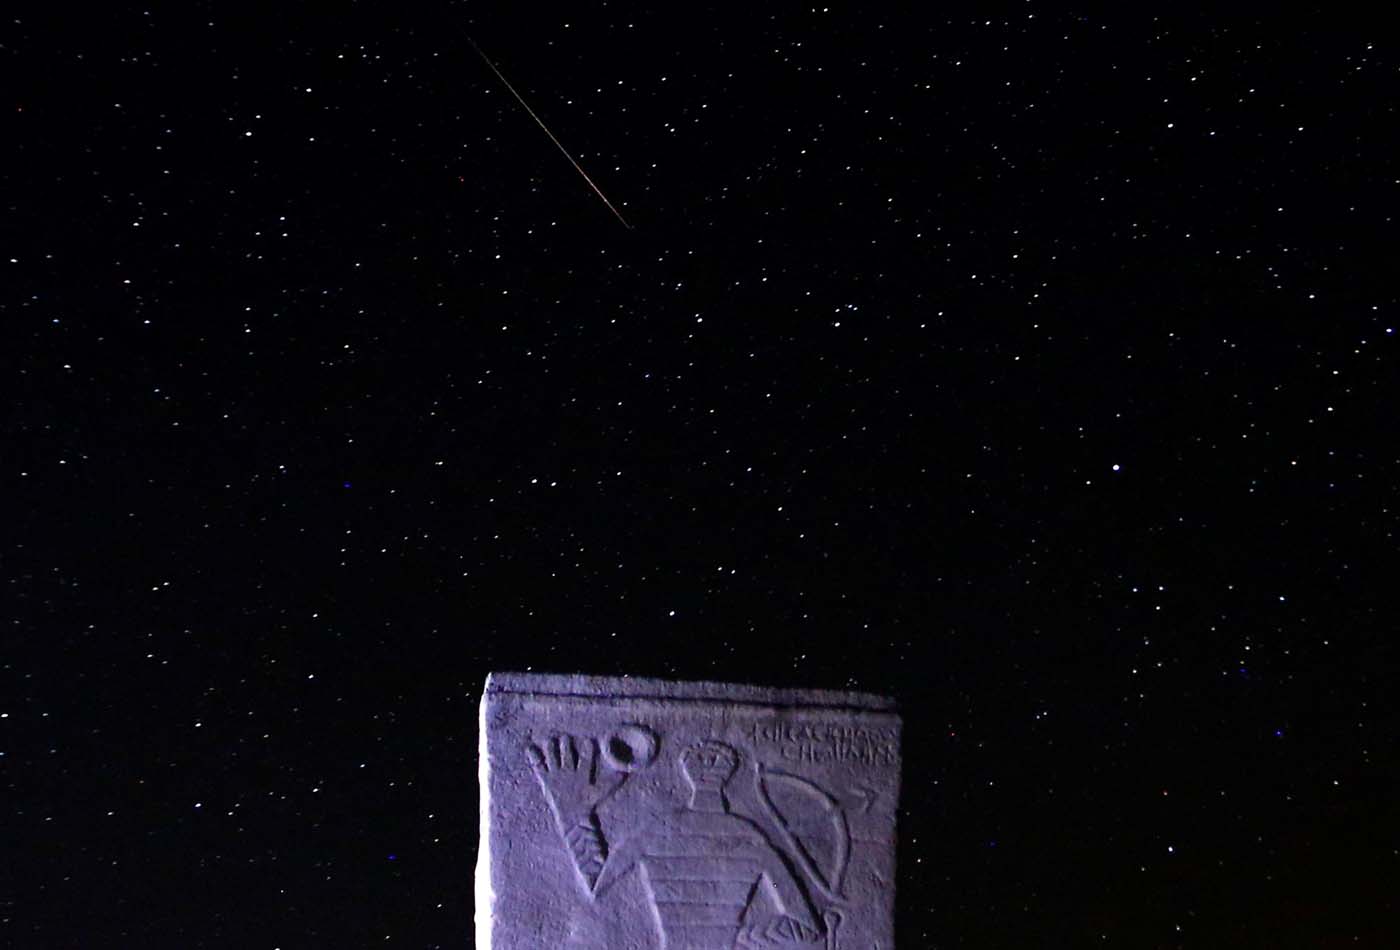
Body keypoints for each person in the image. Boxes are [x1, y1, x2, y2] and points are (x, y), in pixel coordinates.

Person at [528, 736, 824, 949]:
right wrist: (738, 935)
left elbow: (598, 884)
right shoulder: (751, 837)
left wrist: (572, 816)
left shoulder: (657, 830)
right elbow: (807, 928)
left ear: (689, 774)